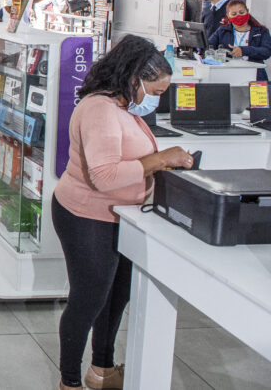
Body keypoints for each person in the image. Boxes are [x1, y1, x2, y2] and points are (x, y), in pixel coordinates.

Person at [52, 35, 193, 390]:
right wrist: (160, 159)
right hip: (87, 215)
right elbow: (104, 176)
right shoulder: (100, 109)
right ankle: (69, 382)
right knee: (88, 299)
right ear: (133, 77)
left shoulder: (121, 106)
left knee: (116, 296)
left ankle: (101, 369)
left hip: (121, 217)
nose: (157, 100)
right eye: (155, 91)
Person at [207, 0, 271, 80]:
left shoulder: (261, 31)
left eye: (241, 12)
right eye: (234, 14)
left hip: (255, 75)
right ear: (228, 16)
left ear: (247, 11)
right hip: (228, 75)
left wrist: (244, 50)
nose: (238, 16)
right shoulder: (222, 31)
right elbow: (208, 45)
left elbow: (266, 51)